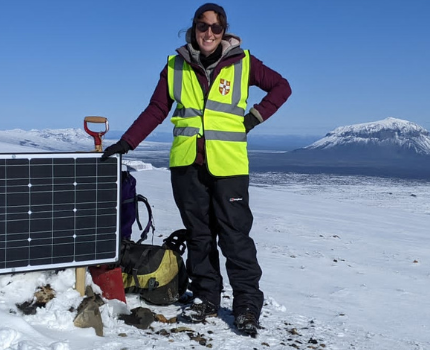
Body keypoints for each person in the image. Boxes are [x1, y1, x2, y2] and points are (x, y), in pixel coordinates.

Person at [101, 3, 291, 335]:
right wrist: (127, 142)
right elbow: (157, 108)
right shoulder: (175, 65)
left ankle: (247, 304)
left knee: (235, 237)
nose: (209, 33)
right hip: (187, 165)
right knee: (200, 236)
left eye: (216, 28)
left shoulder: (243, 62)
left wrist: (251, 119)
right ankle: (207, 297)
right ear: (193, 28)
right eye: (203, 26)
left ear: (224, 31)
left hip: (229, 165)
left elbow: (282, 87)